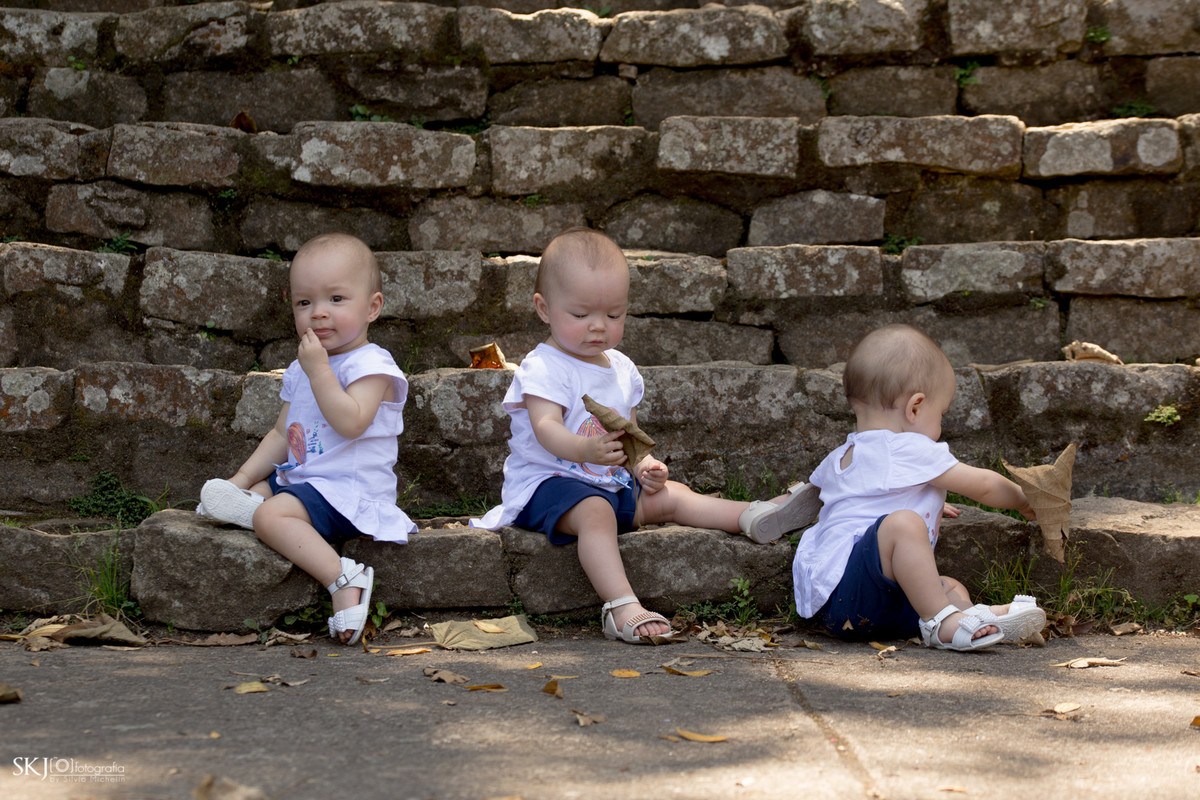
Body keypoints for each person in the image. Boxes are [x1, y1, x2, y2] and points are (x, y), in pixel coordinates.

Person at [471, 227, 818, 643]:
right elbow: (545, 428)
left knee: (668, 494)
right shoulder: (543, 366)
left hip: (610, 482)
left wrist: (644, 466)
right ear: (544, 308)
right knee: (595, 513)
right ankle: (621, 607)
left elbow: (629, 437)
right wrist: (585, 449)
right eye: (580, 315)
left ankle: (754, 513)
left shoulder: (620, 368)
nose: (598, 327)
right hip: (549, 487)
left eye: (614, 315)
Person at [196, 232, 415, 646]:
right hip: (306, 480)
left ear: (373, 307)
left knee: (269, 515)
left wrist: (318, 372)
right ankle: (244, 500)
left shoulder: (372, 365)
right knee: (261, 489)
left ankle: (344, 578)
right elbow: (283, 433)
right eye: (304, 303)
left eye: (336, 299)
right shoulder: (303, 367)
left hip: (347, 489)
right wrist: (239, 481)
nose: (318, 313)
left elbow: (352, 422)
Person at [792, 324, 1047, 651]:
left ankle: (975, 619)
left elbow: (866, 498)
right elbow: (984, 486)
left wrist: (926, 500)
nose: (940, 425)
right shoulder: (906, 447)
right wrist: (1025, 501)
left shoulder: (839, 457)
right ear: (915, 407)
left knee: (949, 585)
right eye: (940, 413)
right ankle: (944, 622)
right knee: (904, 524)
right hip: (849, 587)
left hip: (845, 605)